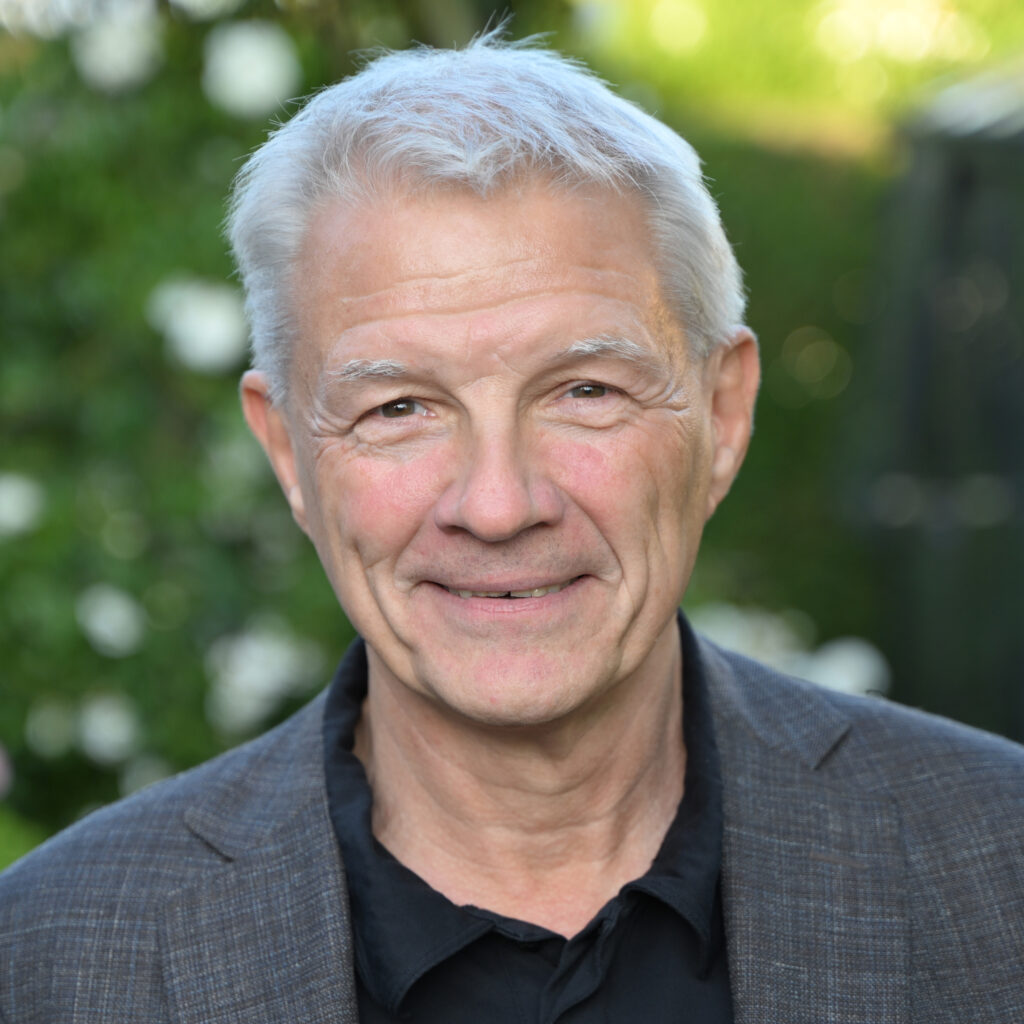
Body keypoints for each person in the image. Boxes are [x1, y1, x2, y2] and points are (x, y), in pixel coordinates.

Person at [2, 32, 1022, 1024]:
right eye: (399, 408)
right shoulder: (49, 961)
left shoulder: (1001, 870)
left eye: (584, 390)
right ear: (288, 455)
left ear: (721, 414)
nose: (497, 505)